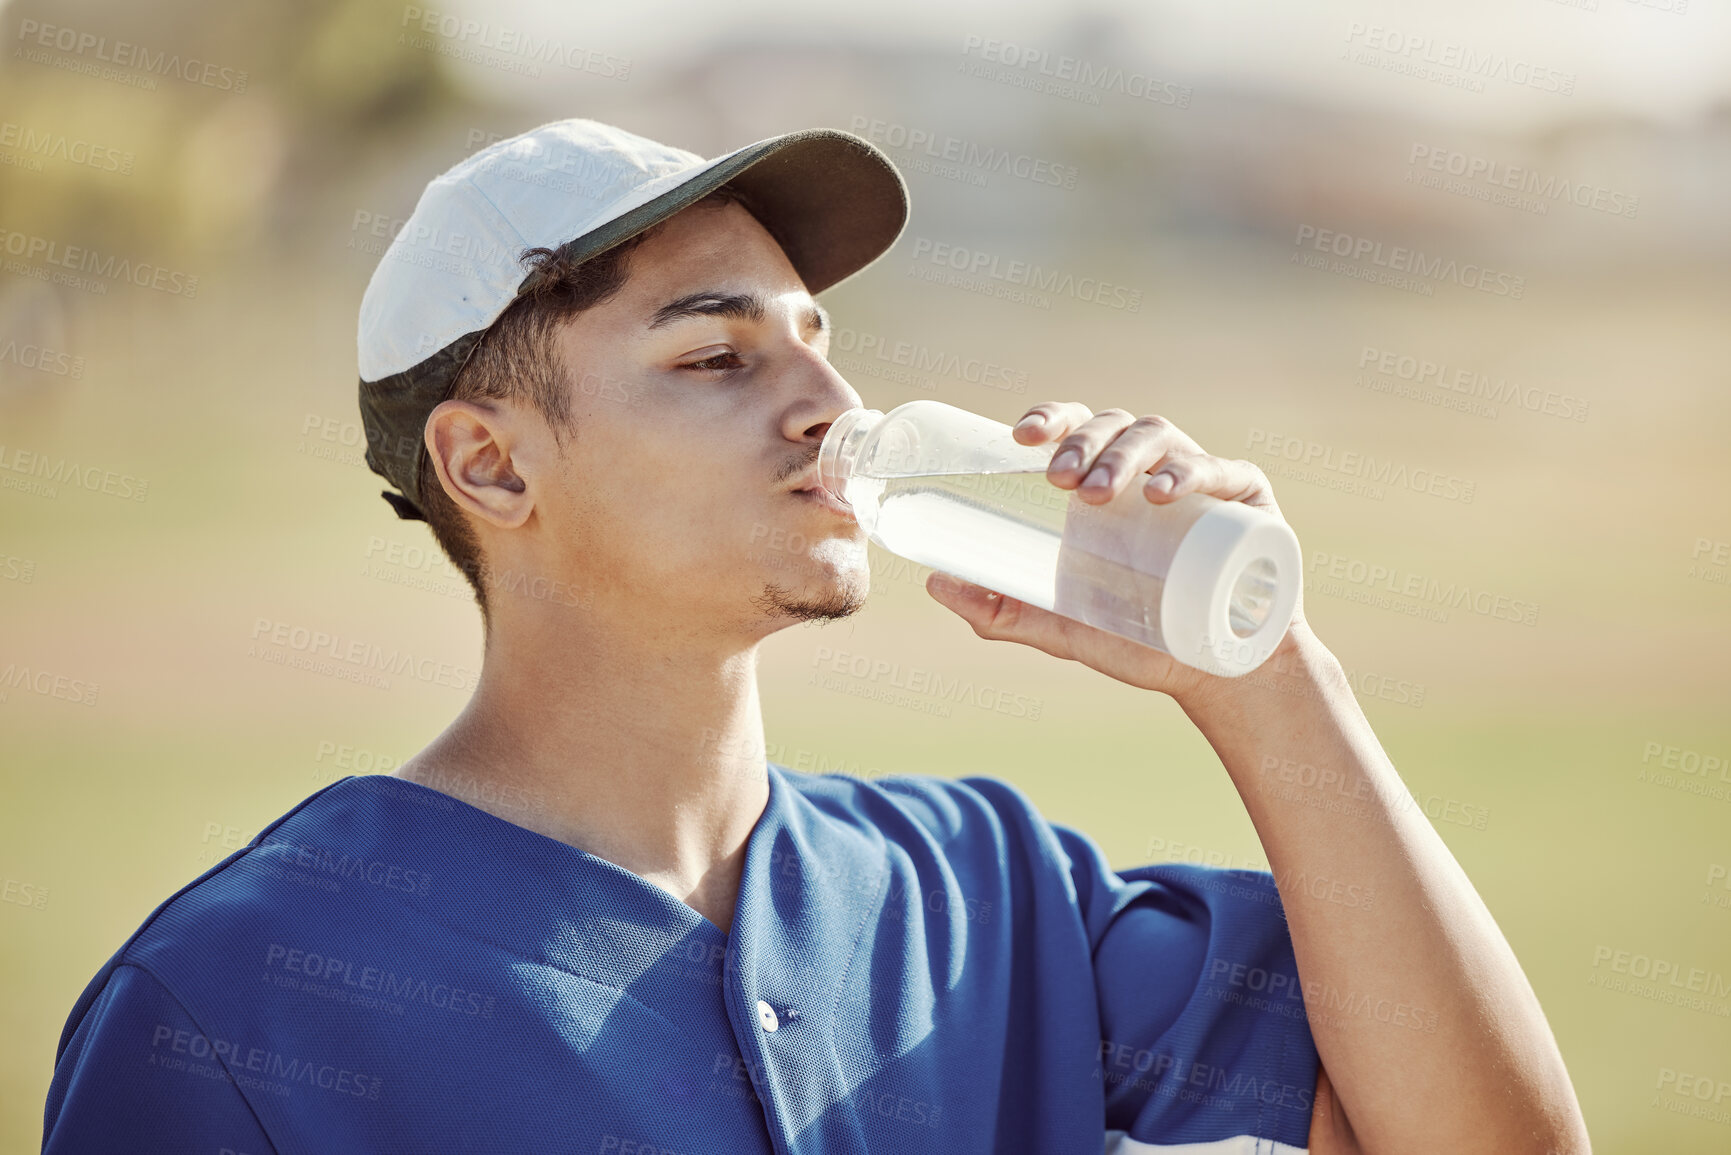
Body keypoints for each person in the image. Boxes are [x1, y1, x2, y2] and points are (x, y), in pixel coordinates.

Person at [42, 119, 1588, 1154]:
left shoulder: (989, 896)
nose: (831, 410)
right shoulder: (236, 999)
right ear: (492, 464)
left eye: (818, 343)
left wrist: (1268, 679)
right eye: (713, 355)